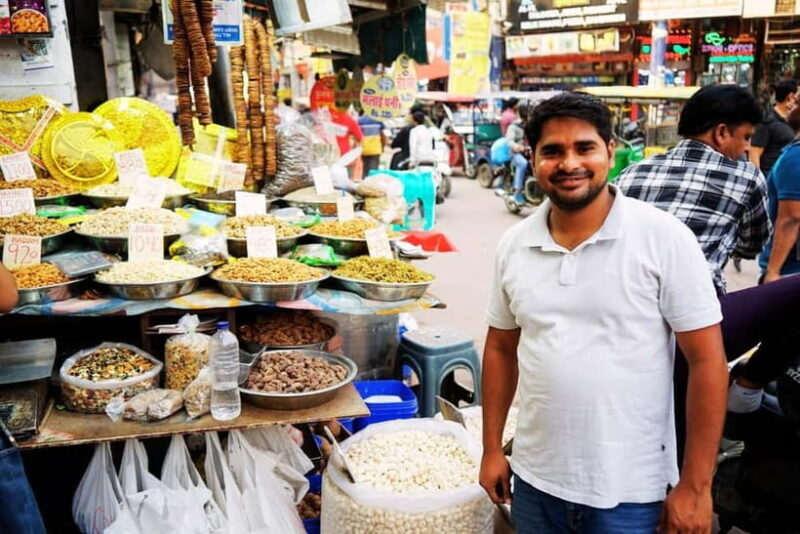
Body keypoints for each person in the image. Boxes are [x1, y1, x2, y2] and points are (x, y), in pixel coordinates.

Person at [481, 92, 727, 534]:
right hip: (536, 482)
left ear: (610, 152)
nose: (569, 163)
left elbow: (708, 363)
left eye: (584, 147)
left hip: (631, 492)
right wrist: (492, 448)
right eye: (552, 151)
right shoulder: (513, 245)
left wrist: (695, 486)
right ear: (532, 159)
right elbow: (500, 347)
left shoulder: (664, 238)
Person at [618, 85, 800, 447]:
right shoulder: (745, 176)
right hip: (693, 329)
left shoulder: (630, 175)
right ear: (721, 132)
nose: (747, 148)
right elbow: (750, 245)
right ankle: (747, 388)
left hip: (623, 325)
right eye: (745, 137)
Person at [759, 106, 800, 281]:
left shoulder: (796, 156)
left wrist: (773, 270)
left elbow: (792, 218)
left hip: (789, 269)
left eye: (797, 101)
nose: (791, 105)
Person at [750, 79, 798, 175]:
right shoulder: (767, 121)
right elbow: (754, 154)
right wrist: (758, 182)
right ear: (791, 97)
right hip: (770, 180)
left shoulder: (793, 120)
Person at [505, 101, 529, 204]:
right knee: (523, 163)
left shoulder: (532, 125)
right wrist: (517, 147)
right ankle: (517, 192)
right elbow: (509, 141)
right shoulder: (514, 126)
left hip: (530, 152)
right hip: (516, 154)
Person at [357, 109, 387, 175]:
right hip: (375, 149)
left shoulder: (359, 120)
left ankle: (365, 182)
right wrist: (383, 147)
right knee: (373, 171)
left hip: (363, 149)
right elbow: (383, 136)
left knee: (365, 169)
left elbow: (357, 136)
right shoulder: (378, 120)